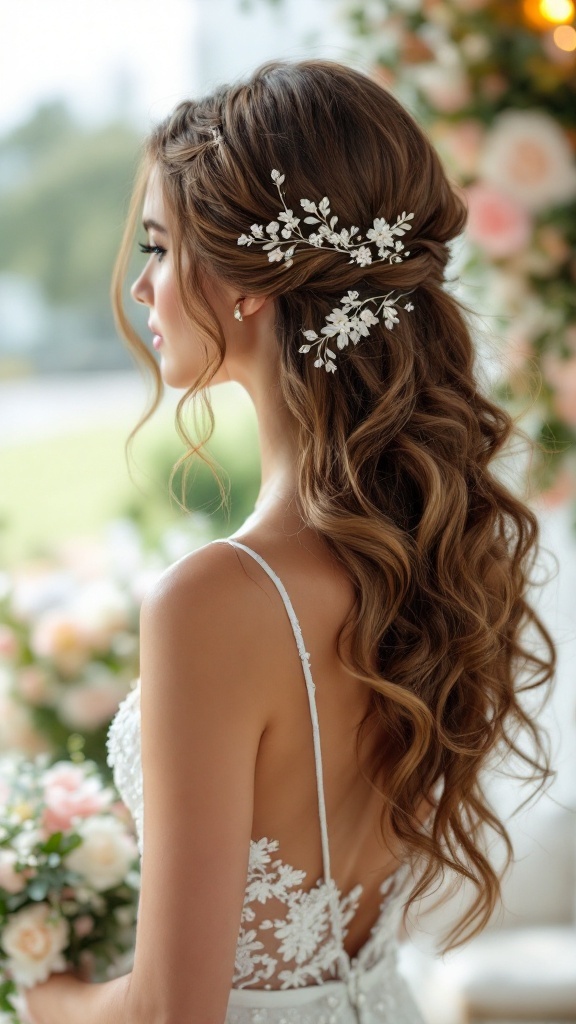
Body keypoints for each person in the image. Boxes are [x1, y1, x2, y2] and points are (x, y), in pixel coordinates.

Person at [24, 58, 556, 1024]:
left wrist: (38, 988)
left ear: (249, 284)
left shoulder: (216, 598)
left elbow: (167, 1015)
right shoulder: (419, 552)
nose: (144, 287)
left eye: (158, 246)